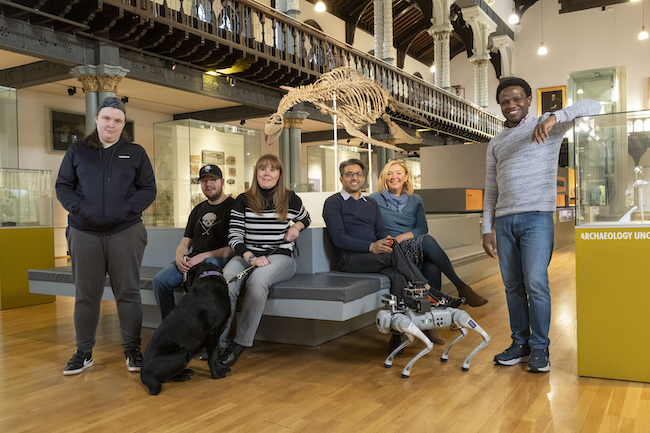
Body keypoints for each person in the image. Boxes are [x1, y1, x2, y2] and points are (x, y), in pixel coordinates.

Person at [483, 78, 600, 373]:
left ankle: (539, 347)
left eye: (517, 99)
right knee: (512, 286)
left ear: (528, 100)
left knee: (536, 283)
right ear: (500, 106)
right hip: (504, 221)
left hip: (537, 218)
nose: (511, 105)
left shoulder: (549, 127)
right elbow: (490, 189)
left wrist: (555, 117)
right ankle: (519, 343)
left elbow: (594, 106)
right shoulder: (495, 143)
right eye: (505, 102)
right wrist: (487, 228)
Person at [56, 97, 156, 375]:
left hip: (125, 231)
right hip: (83, 231)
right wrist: (79, 209)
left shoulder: (135, 152)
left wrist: (125, 209)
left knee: (128, 292)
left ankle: (133, 351)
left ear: (123, 124)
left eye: (118, 120)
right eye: (107, 118)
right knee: (86, 295)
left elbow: (148, 189)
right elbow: (63, 185)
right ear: (97, 120)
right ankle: (83, 352)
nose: (111, 124)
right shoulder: (77, 151)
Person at [323, 159, 464, 349]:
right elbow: (339, 238)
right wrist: (371, 247)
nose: (354, 178)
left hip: (371, 258)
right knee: (394, 253)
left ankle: (397, 334)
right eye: (349, 174)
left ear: (363, 178)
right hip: (350, 259)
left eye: (358, 174)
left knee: (397, 275)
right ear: (341, 178)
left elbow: (381, 231)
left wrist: (385, 242)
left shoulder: (370, 203)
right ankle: (430, 292)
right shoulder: (333, 202)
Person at [218, 154, 310, 369]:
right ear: (256, 173)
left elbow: (305, 217)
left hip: (280, 257)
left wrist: (296, 227)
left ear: (279, 174)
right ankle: (219, 342)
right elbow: (234, 236)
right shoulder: (242, 200)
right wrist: (250, 257)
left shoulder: (291, 198)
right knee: (227, 281)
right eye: (263, 169)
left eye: (272, 169)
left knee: (257, 282)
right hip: (248, 255)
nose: (267, 173)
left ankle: (240, 343)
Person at [369, 159, 488, 308]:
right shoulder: (373, 200)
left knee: (431, 265)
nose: (394, 177)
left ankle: (431, 311)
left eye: (399, 173)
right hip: (393, 250)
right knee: (428, 241)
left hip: (410, 246)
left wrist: (401, 237)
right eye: (390, 173)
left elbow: (422, 228)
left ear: (406, 177)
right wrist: (391, 241)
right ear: (384, 177)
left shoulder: (415, 199)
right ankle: (461, 287)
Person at [153, 164, 235, 321]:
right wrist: (179, 257)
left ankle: (196, 327)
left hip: (218, 260)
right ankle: (171, 326)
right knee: (160, 280)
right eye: (204, 181)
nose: (208, 184)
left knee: (202, 275)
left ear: (222, 181)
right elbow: (184, 243)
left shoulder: (233, 207)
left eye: (213, 180)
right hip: (194, 260)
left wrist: (203, 256)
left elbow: (234, 248)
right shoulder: (198, 210)